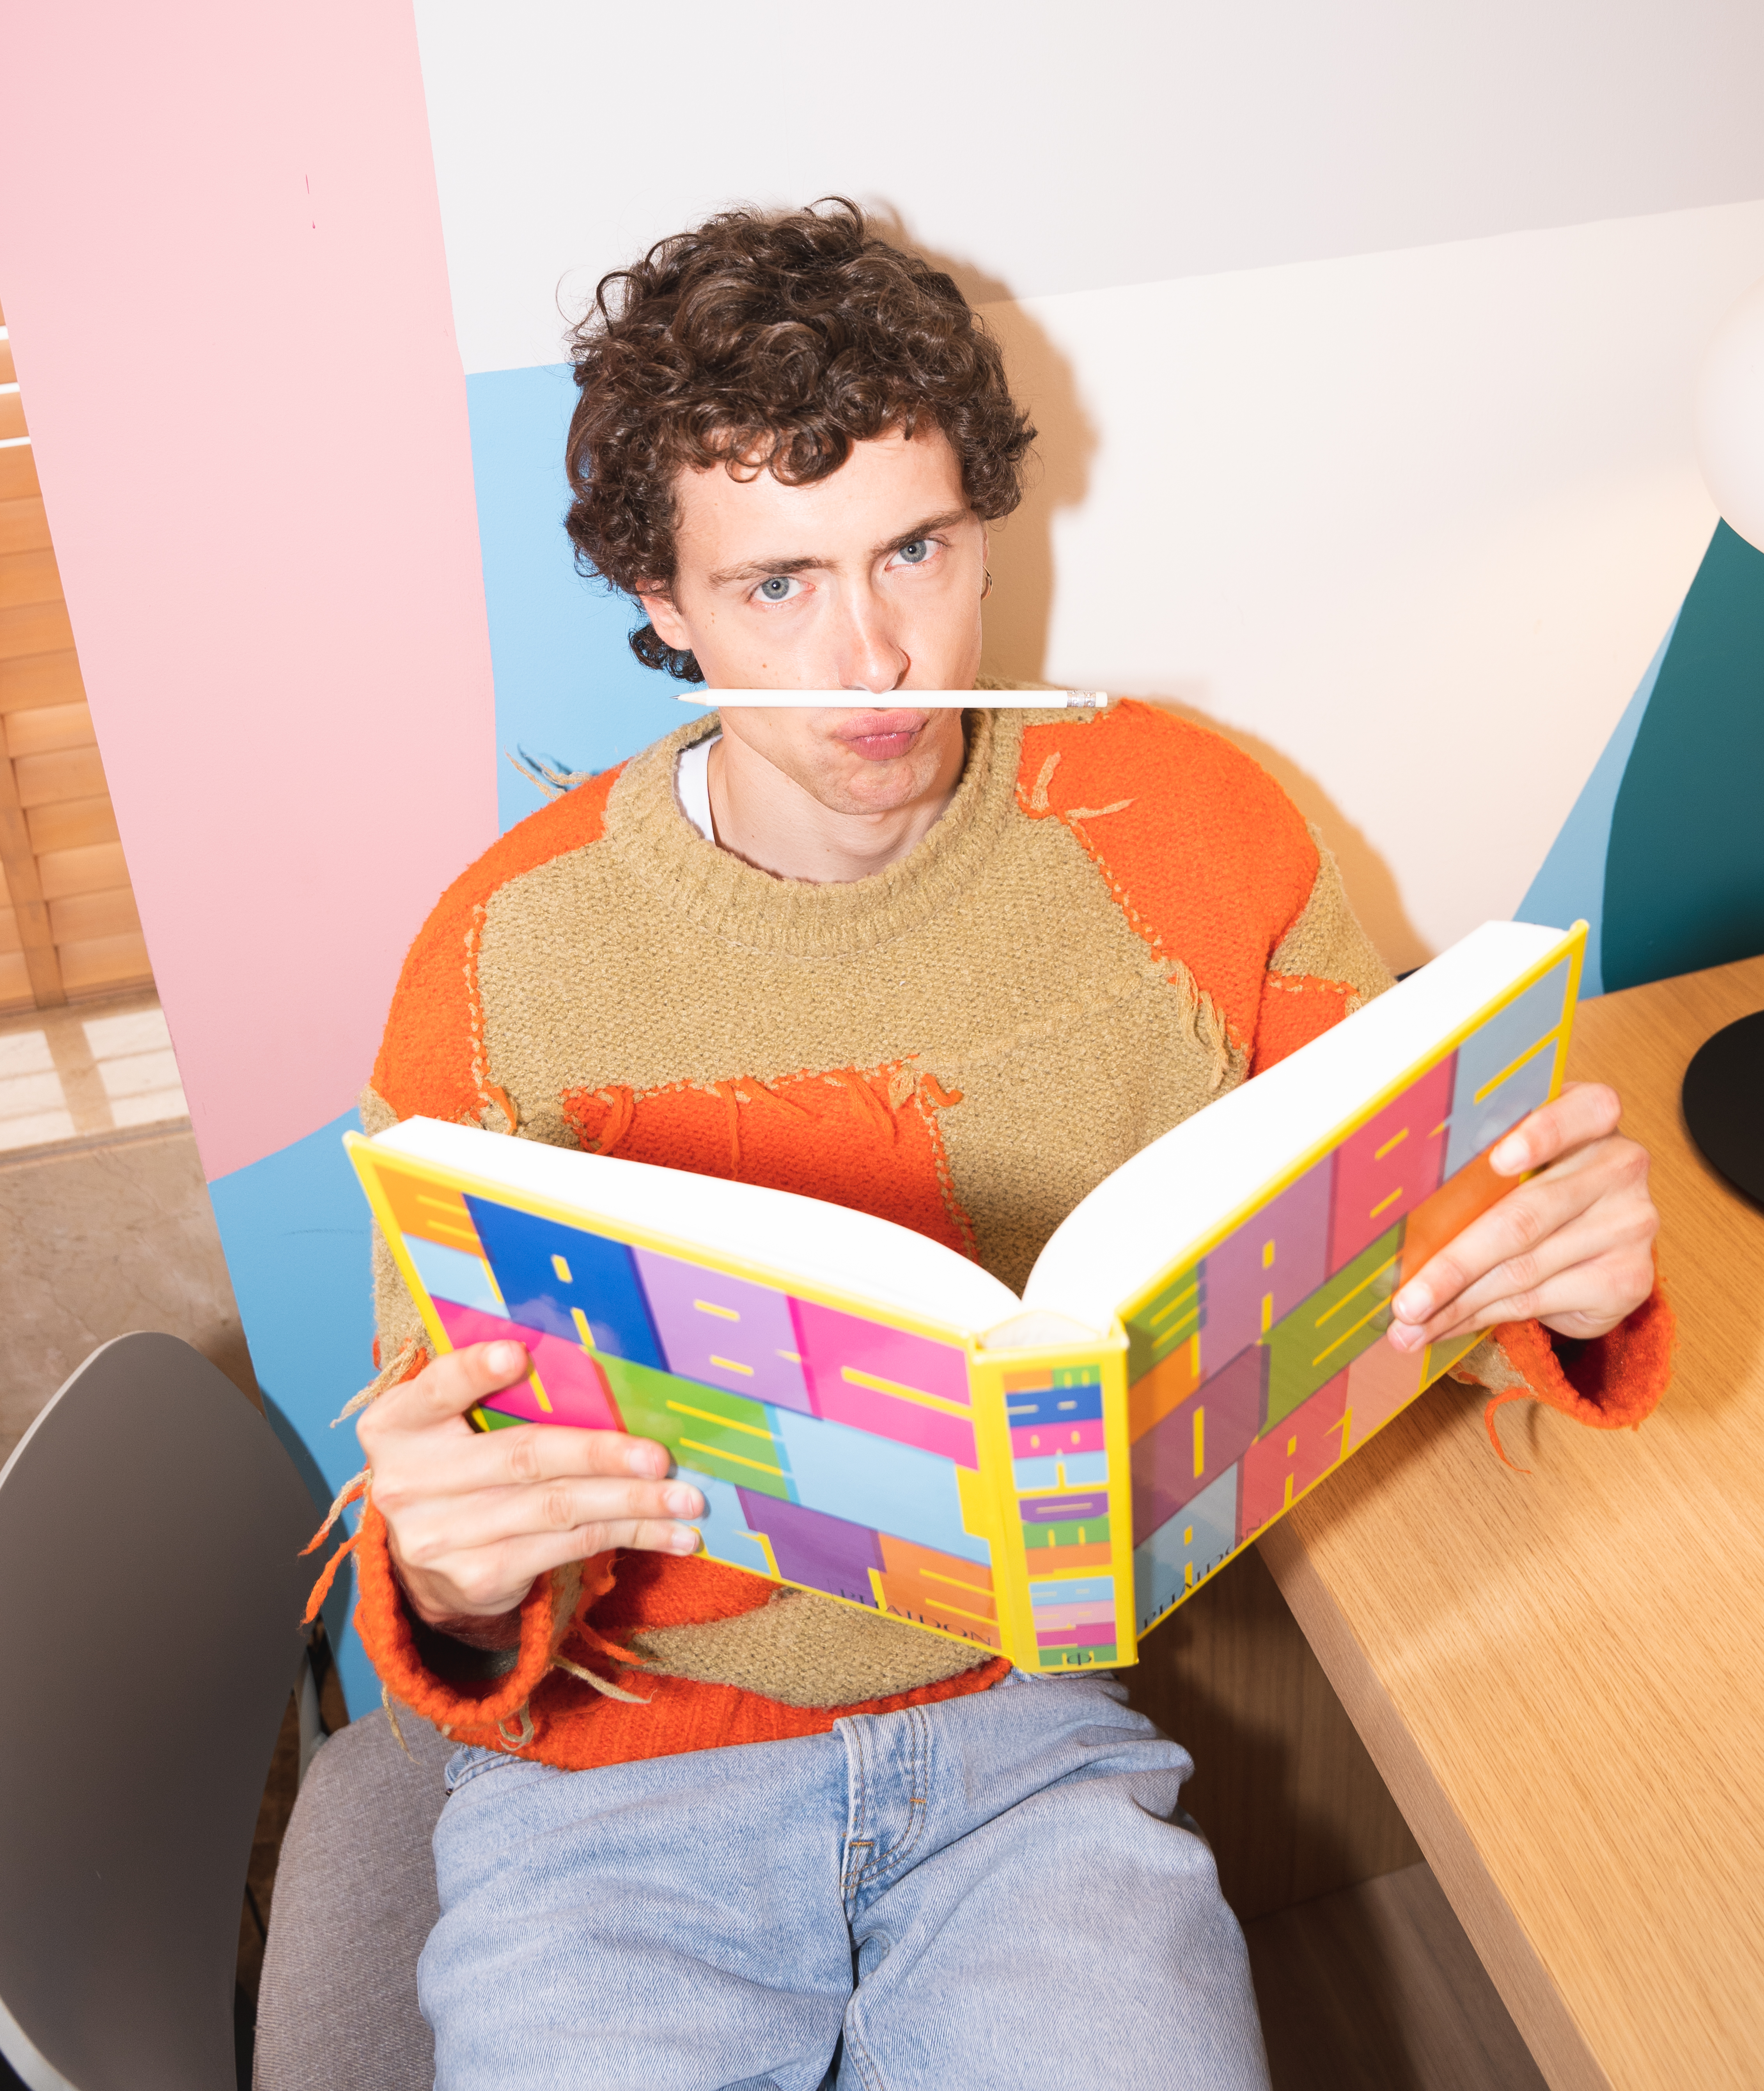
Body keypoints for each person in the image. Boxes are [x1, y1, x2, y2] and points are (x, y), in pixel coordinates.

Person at [347, 199, 1668, 2091]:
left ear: (986, 527)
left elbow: (1431, 1218)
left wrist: (1561, 1277)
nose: (873, 658)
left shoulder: (1192, 822)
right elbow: (450, 1485)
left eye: (916, 549)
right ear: (663, 600)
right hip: (615, 1793)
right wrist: (458, 1571)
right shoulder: (502, 959)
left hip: (1025, 1748)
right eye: (776, 585)